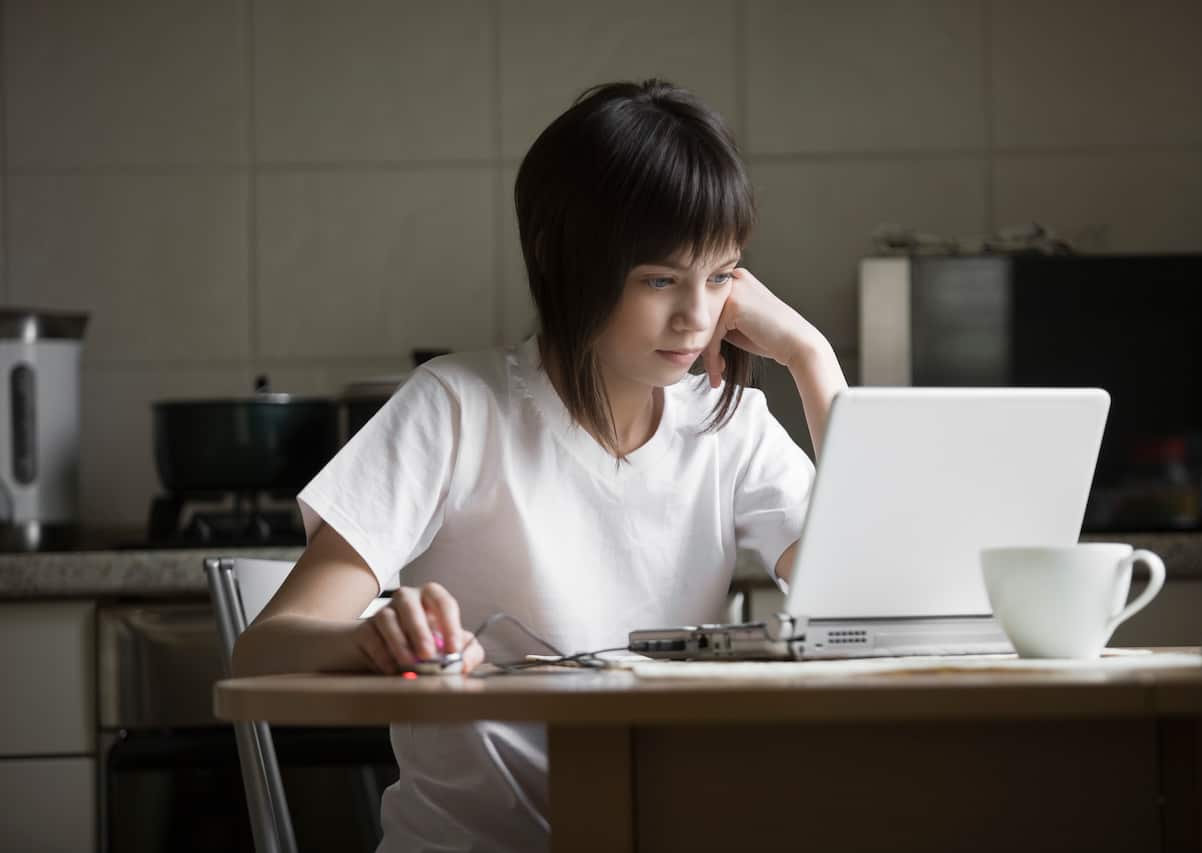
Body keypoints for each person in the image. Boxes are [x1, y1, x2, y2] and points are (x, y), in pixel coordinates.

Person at [232, 78, 847, 852]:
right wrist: (371, 639)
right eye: (660, 279)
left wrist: (810, 357)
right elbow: (264, 650)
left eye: (721, 275)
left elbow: (879, 598)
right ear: (561, 259)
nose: (697, 317)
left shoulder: (727, 427)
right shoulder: (457, 409)